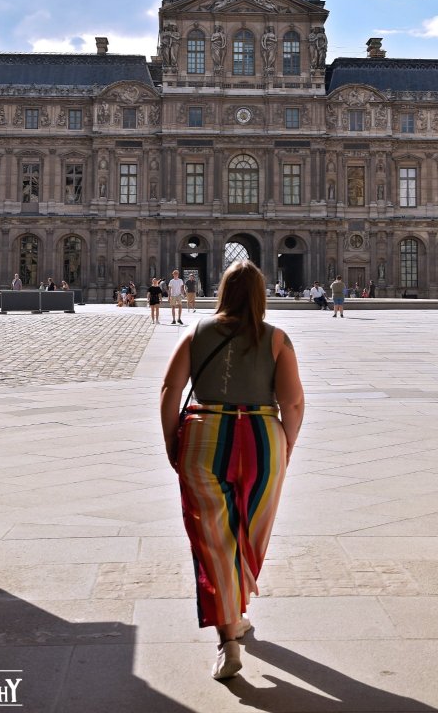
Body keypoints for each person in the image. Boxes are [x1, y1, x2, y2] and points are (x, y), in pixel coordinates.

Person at [160, 260, 304, 681]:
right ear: (261, 296)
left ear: (222, 290)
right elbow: (293, 403)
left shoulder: (196, 332)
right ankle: (236, 606)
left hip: (205, 433)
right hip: (262, 438)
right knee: (249, 532)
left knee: (212, 537)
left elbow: (170, 391)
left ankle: (228, 636)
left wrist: (173, 440)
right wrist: (286, 444)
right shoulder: (277, 338)